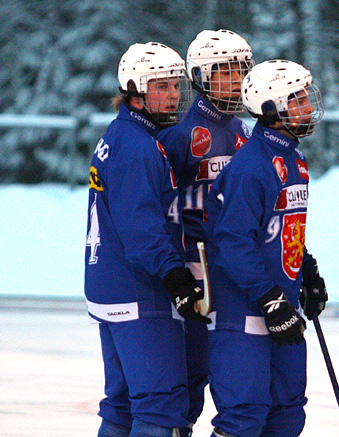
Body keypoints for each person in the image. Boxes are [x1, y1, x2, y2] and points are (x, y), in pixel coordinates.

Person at [84, 42, 208, 437]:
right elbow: (142, 229)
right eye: (162, 85)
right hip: (139, 292)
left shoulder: (126, 134)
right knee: (161, 406)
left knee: (122, 405)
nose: (173, 94)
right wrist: (175, 276)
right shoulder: (137, 147)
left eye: (175, 85)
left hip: (113, 285)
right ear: (135, 89)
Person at [204, 59, 328, 437]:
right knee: (243, 419)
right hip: (247, 314)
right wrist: (270, 298)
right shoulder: (250, 167)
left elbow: (279, 230)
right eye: (299, 100)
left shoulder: (294, 158)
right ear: (273, 108)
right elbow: (233, 243)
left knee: (287, 414)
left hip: (283, 308)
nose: (309, 107)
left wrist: (305, 269)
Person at [157, 29, 254, 434]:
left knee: (231, 376)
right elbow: (158, 208)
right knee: (189, 379)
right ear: (200, 76)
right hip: (192, 272)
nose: (236, 81)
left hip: (228, 271)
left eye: (241, 71)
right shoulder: (178, 135)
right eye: (226, 72)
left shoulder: (244, 133)